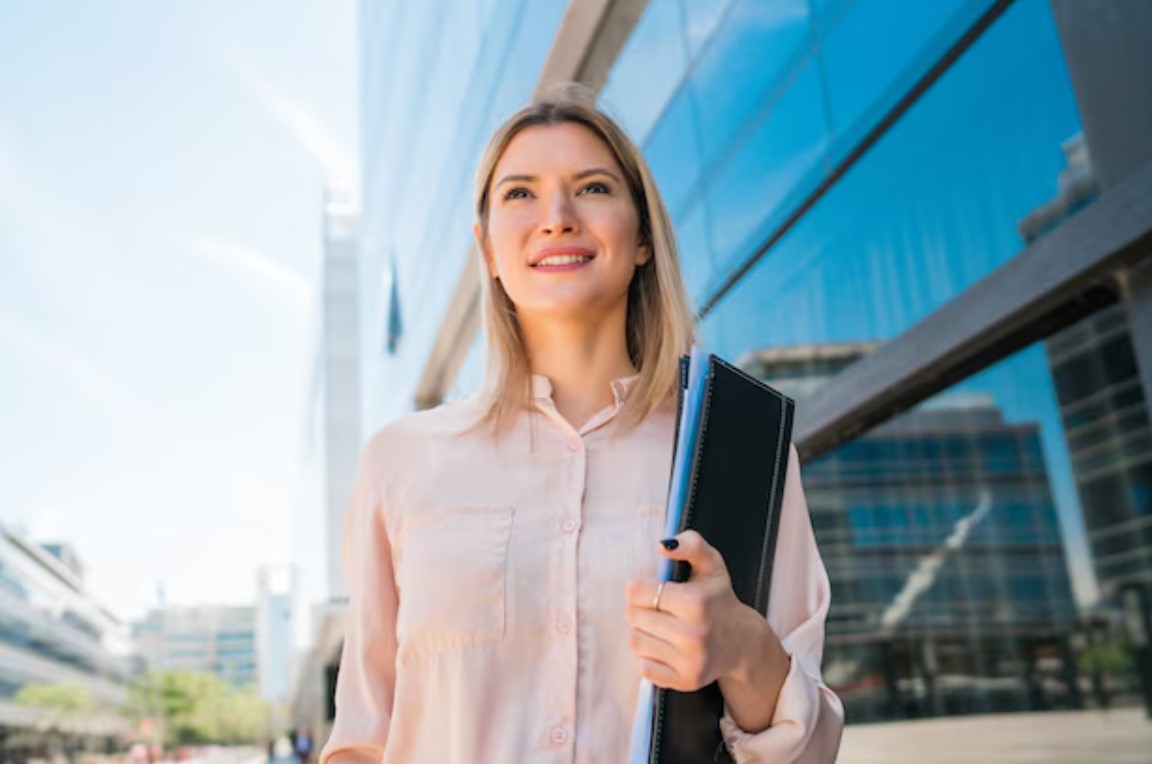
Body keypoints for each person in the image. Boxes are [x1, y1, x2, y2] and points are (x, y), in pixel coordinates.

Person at [319, 84, 843, 764]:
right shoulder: (400, 461)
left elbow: (813, 752)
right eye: (520, 194)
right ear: (488, 250)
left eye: (592, 188)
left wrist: (742, 648)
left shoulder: (740, 453)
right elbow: (362, 742)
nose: (557, 218)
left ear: (643, 236)